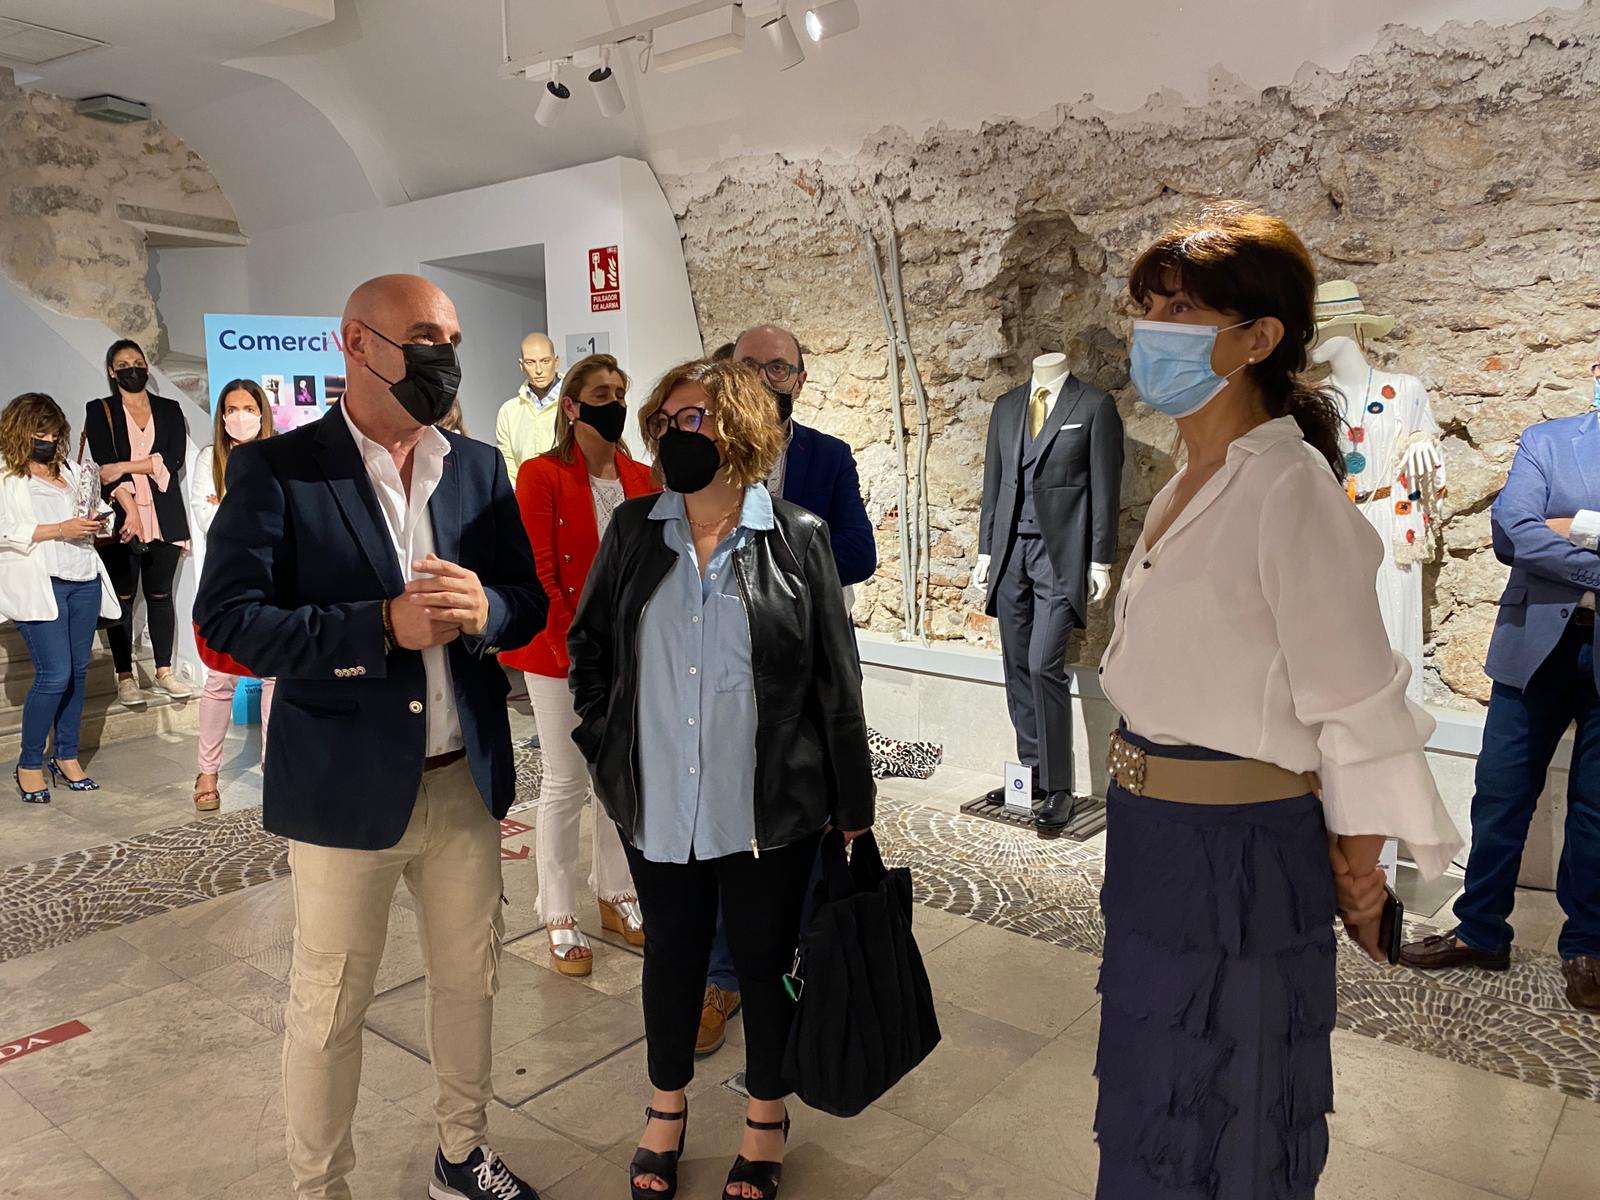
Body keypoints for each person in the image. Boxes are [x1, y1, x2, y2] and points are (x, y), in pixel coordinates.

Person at [1094, 205, 1461, 1199]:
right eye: (1149, 308)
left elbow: (1354, 700)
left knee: (1233, 1108)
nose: (1154, 331)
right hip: (1152, 836)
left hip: (1241, 854)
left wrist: (1361, 867)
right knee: (1152, 1096)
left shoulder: (1287, 487)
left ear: (1258, 337)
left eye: (1181, 310)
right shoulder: (1191, 477)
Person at [195, 274, 548, 1200]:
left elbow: (527, 598)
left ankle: (461, 1153)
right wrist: (378, 627)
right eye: (425, 335)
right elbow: (228, 621)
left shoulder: (476, 467)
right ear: (356, 342)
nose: (445, 356)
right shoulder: (281, 470)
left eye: (453, 340)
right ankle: (321, 1187)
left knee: (471, 982)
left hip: (463, 782)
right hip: (344, 789)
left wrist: (490, 608)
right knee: (330, 1005)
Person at [567, 358, 873, 1200]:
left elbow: (835, 680)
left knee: (766, 961)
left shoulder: (798, 537)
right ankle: (665, 1109)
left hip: (766, 807)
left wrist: (852, 801)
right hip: (658, 799)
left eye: (692, 419)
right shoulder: (636, 530)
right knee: (671, 957)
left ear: (738, 426)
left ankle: (766, 1116)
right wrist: (606, 741)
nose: (674, 434)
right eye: (665, 422)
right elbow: (590, 647)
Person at [695, 324, 878, 1057]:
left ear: (800, 380)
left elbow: (859, 552)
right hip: (718, 672)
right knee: (723, 822)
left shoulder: (827, 456)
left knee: (806, 819)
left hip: (805, 669)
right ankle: (722, 977)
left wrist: (774, 556)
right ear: (726, 371)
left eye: (780, 367)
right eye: (751, 364)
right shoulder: (700, 456)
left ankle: (802, 968)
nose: (766, 377)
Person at [1399, 405, 1600, 1012]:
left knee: (1596, 809)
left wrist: (1571, 526)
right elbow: (1513, 532)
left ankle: (1587, 948)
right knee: (1500, 793)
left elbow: (1540, 536)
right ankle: (1480, 929)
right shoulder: (1548, 441)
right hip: (1533, 645)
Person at [500, 353, 655, 976]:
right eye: (601, 393)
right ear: (571, 405)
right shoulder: (541, 474)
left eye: (619, 391)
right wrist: (579, 649)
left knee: (618, 774)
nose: (613, 402)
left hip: (629, 650)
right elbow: (538, 569)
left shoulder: (641, 476)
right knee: (566, 780)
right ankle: (557, 908)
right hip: (558, 651)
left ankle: (615, 890)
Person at [0, 393, 119, 802]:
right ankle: (29, 763)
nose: (49, 440)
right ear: (20, 430)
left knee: (78, 672)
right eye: (41, 432)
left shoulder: (69, 469)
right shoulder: (6, 473)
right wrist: (58, 530)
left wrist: (101, 521)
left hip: (83, 577)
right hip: (41, 581)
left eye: (54, 433)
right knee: (55, 674)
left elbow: (95, 509)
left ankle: (66, 756)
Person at [83, 339, 194, 708]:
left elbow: (173, 459)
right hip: (122, 513)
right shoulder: (100, 410)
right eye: (123, 364)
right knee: (124, 597)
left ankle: (164, 671)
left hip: (165, 514)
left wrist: (126, 466)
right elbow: (105, 468)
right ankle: (125, 676)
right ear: (112, 372)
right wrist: (129, 507)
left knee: (161, 595)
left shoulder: (170, 409)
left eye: (138, 361)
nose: (132, 367)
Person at [188, 379, 276, 813]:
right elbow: (210, 519)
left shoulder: (279, 455)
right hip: (224, 587)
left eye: (248, 408)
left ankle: (275, 765)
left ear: (262, 412)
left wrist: (232, 504)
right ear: (221, 416)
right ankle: (207, 771)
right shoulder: (210, 459)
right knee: (220, 679)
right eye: (231, 409)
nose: (240, 416)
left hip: (274, 582)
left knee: (275, 675)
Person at [495, 332, 562, 483]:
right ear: (521, 365)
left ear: (556, 361)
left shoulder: (574, 404)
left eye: (545, 361)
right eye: (530, 362)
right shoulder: (508, 411)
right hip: (525, 494)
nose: (538, 370)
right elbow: (508, 463)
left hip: (570, 493)